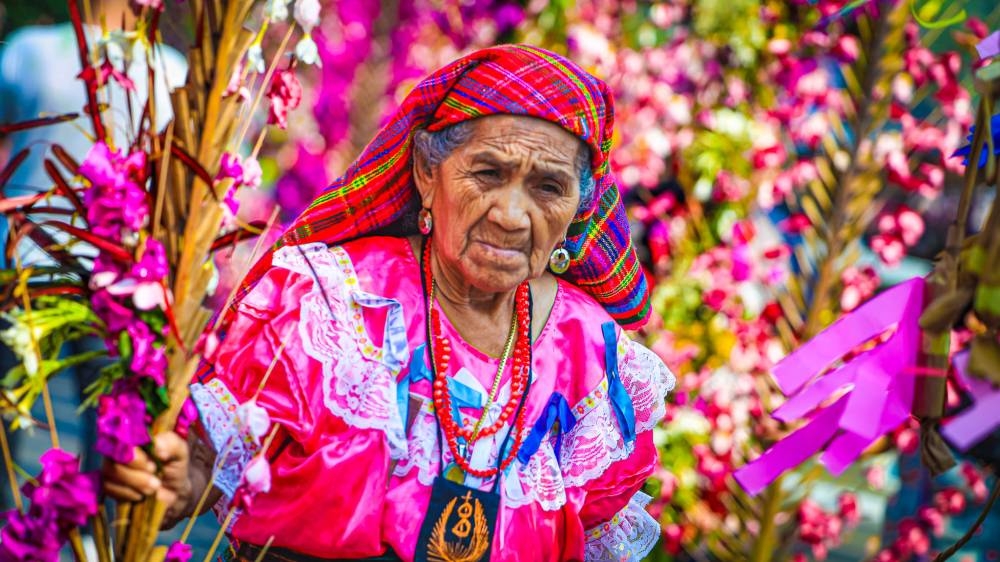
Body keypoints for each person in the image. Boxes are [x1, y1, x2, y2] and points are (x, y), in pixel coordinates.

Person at [102, 44, 675, 562]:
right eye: (488, 173)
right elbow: (205, 465)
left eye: (547, 187)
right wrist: (175, 477)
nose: (511, 214)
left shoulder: (597, 364)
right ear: (429, 174)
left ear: (579, 205)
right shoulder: (323, 301)